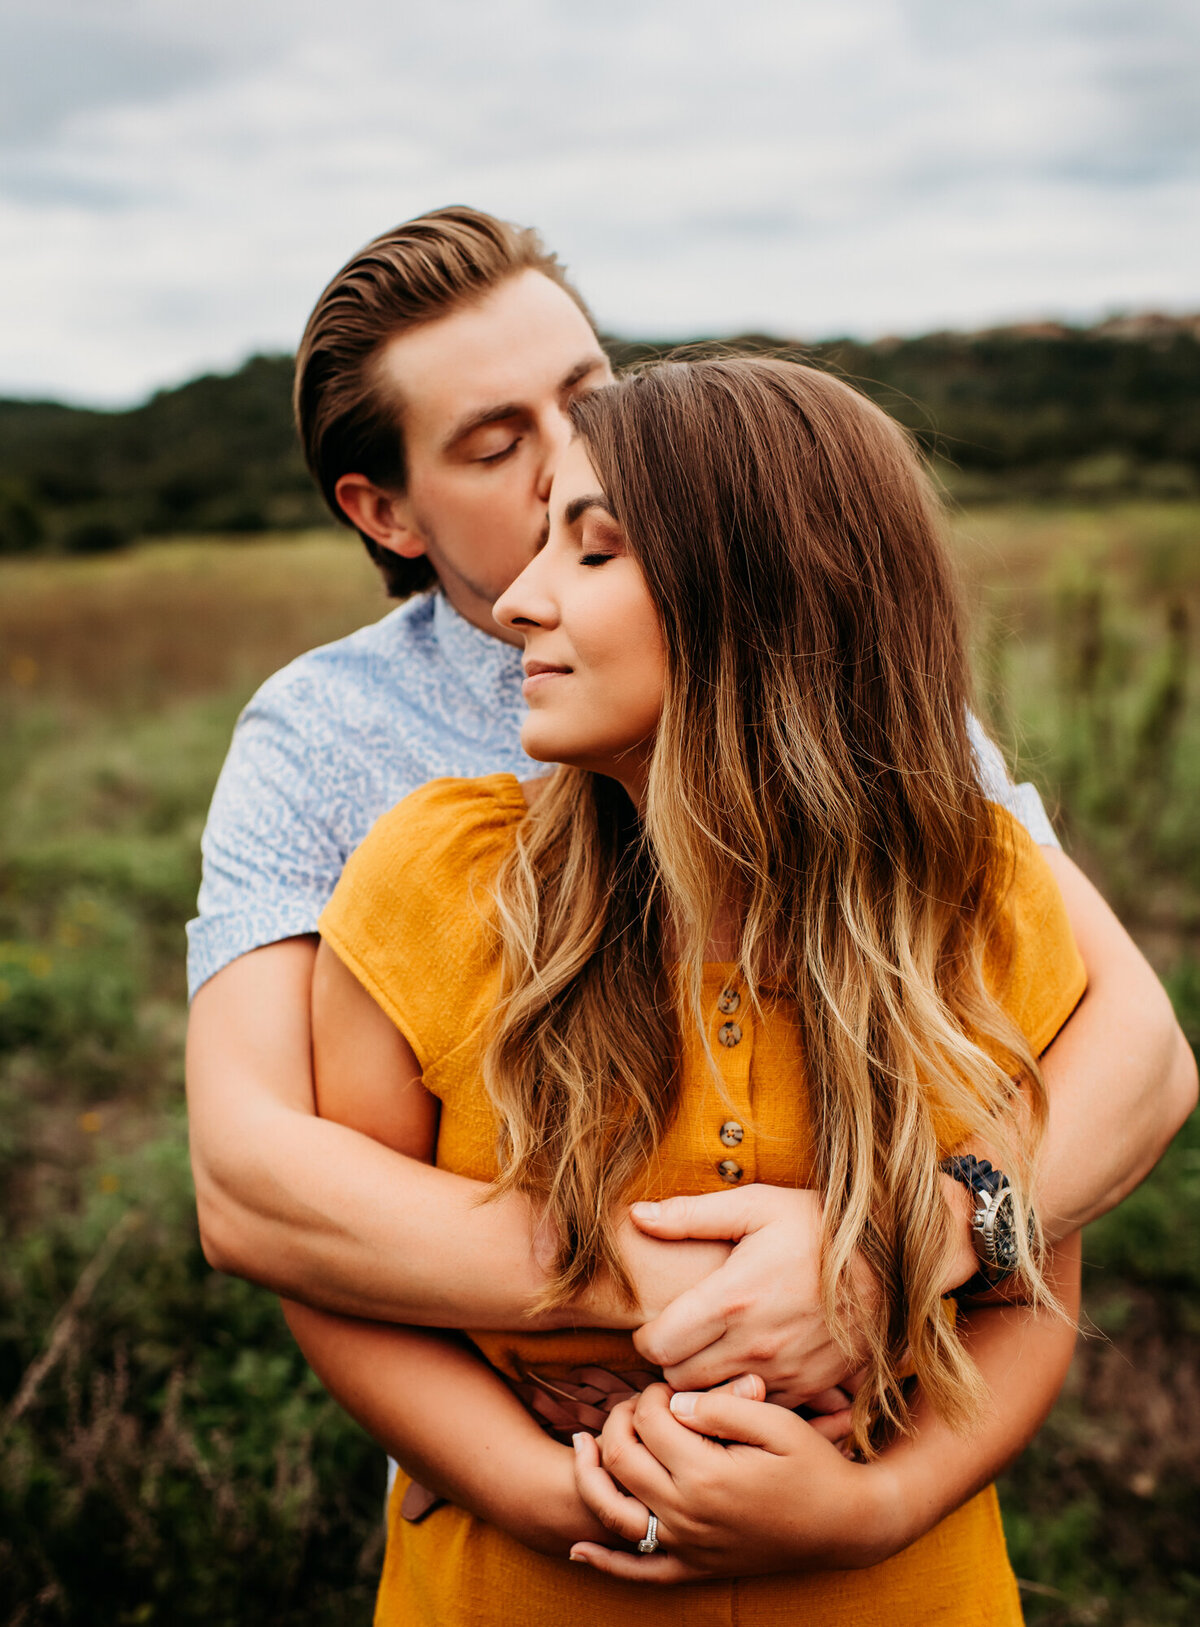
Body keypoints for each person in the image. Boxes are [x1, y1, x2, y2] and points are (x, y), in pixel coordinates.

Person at [185, 208, 1195, 1464]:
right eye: (498, 446)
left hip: (866, 1453)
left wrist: (890, 1257)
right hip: (506, 1468)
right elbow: (253, 1176)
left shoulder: (820, 684)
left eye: (589, 394)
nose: (564, 459)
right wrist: (678, 1298)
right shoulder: (323, 736)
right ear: (386, 512)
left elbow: (1130, 1045)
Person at [294, 355, 1093, 1623]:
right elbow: (336, 1278)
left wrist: (873, 1508)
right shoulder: (433, 884)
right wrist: (570, 1493)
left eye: (593, 553)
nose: (518, 600)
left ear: (767, 598)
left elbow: (1036, 1281)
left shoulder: (973, 894)